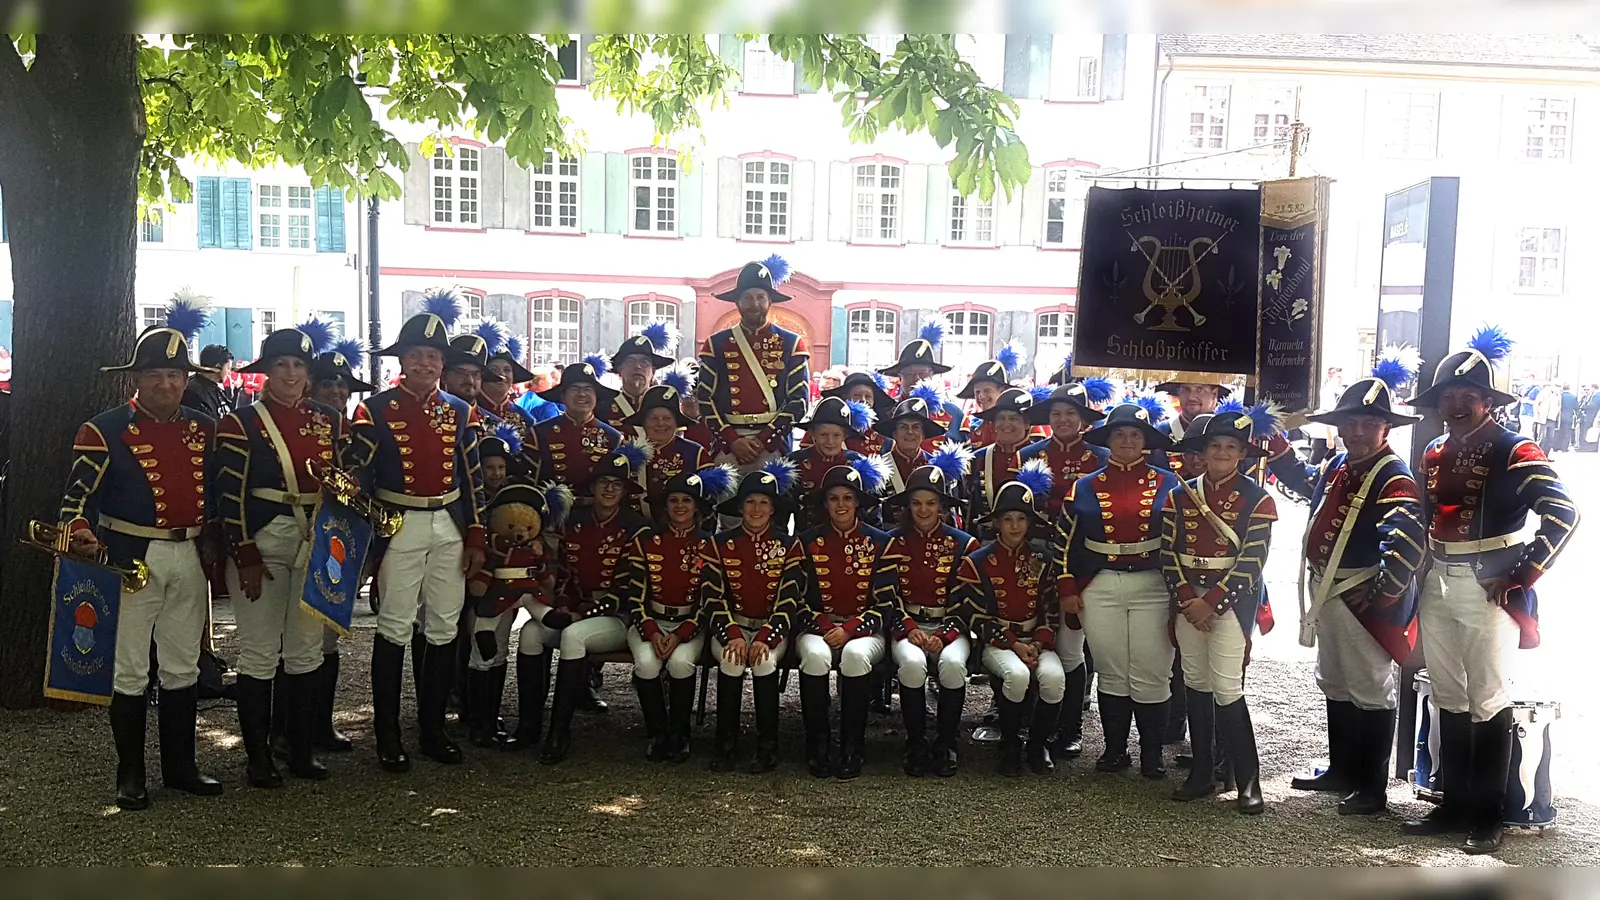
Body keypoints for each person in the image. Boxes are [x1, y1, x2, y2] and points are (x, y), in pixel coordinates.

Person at [1401, 327, 1578, 855]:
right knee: (1449, 695)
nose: (1455, 406)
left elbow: (1563, 514)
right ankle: (1453, 803)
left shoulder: (1514, 447)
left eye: (1466, 398)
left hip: (1489, 587)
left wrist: (1523, 573)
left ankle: (1488, 813)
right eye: (1447, 398)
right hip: (1437, 580)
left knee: (1489, 699)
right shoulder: (1433, 450)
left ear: (1486, 402)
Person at [57, 307, 224, 809]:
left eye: (176, 375)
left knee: (182, 667)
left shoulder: (204, 427)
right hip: (130, 557)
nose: (167, 384)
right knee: (129, 670)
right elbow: (75, 498)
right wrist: (80, 530)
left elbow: (217, 494)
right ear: (137, 378)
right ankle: (130, 774)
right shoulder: (103, 429)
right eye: (156, 375)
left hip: (189, 553)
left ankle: (181, 767)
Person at [346, 303, 489, 772]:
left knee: (444, 627)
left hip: (447, 523)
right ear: (401, 360)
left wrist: (475, 534)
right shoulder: (375, 408)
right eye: (416, 355)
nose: (425, 364)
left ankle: (432, 728)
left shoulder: (462, 410)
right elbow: (359, 468)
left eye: (433, 356)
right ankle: (387, 734)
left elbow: (472, 480)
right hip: (398, 523)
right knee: (394, 627)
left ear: (442, 364)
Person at [1286, 353, 1427, 817]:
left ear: (1385, 428)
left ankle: (1371, 788)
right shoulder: (1338, 464)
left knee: (1370, 687)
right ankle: (1343, 770)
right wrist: (1281, 453)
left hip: (1360, 594)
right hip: (1327, 590)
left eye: (1369, 423)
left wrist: (1385, 592)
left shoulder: (1392, 473)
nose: (1359, 432)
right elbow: (1312, 492)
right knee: (1336, 681)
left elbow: (1406, 539)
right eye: (1352, 423)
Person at [214, 325, 343, 788]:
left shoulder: (329, 419)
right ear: (266, 370)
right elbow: (229, 493)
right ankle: (258, 758)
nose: (291, 373)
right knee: (259, 652)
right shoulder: (241, 422)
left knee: (306, 651)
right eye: (282, 364)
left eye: (299, 365)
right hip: (263, 540)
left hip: (317, 539)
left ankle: (300, 749)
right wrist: (243, 551)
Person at [1161, 412, 1279, 815]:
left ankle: (1248, 779)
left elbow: (1252, 561)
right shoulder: (1180, 495)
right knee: (1195, 683)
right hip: (1187, 599)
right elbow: (1167, 552)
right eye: (1215, 445)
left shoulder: (1259, 499)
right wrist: (1186, 599)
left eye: (1231, 446)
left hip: (1228, 601)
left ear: (1243, 453)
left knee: (1228, 687)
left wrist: (1210, 602)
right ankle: (1201, 772)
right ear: (1204, 451)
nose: (1222, 453)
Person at [1055, 403, 1180, 778]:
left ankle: (1152, 754)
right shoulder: (1085, 484)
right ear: (1107, 440)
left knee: (1153, 670)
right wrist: (1067, 587)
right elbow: (1064, 541)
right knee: (1111, 670)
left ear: (1146, 442)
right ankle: (1114, 750)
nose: (1127, 441)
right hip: (1101, 582)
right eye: (1120, 434)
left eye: (1135, 435)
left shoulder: (1170, 483)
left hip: (1153, 583)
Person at [539, 446, 653, 764]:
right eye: (603, 481)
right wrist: (562, 604)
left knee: (574, 636)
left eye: (616, 484)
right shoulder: (572, 521)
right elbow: (562, 572)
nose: (609, 488)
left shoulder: (636, 527)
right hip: (574, 611)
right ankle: (530, 725)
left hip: (617, 617)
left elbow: (630, 591)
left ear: (625, 491)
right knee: (531, 635)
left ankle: (558, 732)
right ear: (592, 486)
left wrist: (581, 613)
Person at [619, 464, 734, 761]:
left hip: (691, 624)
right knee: (646, 663)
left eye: (686, 500)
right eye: (674, 500)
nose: (680, 506)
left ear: (697, 507)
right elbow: (635, 595)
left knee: (681, 663)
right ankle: (658, 733)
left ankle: (681, 734)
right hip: (650, 621)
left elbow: (710, 599)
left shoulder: (711, 544)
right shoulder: (645, 541)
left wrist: (682, 634)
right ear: (665, 506)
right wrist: (653, 632)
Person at [794, 461, 893, 779]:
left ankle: (853, 745)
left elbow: (887, 604)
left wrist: (850, 629)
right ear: (824, 503)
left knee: (855, 655)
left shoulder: (881, 542)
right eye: (834, 498)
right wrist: (826, 628)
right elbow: (794, 600)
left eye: (847, 498)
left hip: (866, 629)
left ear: (857, 503)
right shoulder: (806, 542)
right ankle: (817, 744)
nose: (841, 504)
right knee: (815, 654)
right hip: (817, 626)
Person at [704, 462, 805, 772]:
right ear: (740, 506)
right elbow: (711, 596)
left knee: (764, 662)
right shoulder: (719, 545)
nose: (756, 508)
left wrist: (765, 637)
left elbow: (790, 600)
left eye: (764, 502)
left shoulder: (790, 546)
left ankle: (767, 745)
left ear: (773, 509)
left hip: (771, 628)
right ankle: (726, 743)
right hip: (732, 627)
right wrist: (732, 634)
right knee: (731, 660)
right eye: (750, 501)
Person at [881, 455, 978, 777]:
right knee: (911, 663)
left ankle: (947, 742)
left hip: (949, 626)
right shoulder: (892, 542)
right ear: (907, 506)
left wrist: (945, 634)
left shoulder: (964, 544)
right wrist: (908, 628)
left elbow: (967, 600)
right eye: (917, 503)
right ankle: (916, 741)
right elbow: (886, 595)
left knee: (951, 664)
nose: (924, 510)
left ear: (943, 506)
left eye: (931, 503)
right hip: (906, 625)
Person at [959, 478, 1063, 776]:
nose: (1015, 526)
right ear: (996, 523)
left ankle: (1038, 744)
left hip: (1035, 640)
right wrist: (1014, 644)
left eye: (1021, 519)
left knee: (1054, 678)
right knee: (1016, 675)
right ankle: (1010, 744)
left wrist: (1039, 644)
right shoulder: (977, 561)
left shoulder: (1044, 559)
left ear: (1030, 522)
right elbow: (974, 614)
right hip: (998, 641)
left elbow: (1051, 612)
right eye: (1007, 519)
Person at [696, 256, 811, 479]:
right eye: (747, 298)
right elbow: (704, 398)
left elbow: (799, 401)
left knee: (773, 509)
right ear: (737, 302)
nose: (754, 304)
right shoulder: (716, 344)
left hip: (772, 443)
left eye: (760, 297)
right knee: (727, 511)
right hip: (729, 442)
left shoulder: (792, 344)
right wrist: (732, 440)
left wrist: (763, 440)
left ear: (770, 301)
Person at [527, 361, 623, 487]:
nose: (582, 394)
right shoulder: (539, 434)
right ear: (562, 397)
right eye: (575, 388)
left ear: (596, 397)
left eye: (588, 389)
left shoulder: (614, 438)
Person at [1021, 382, 1108, 521]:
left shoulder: (1102, 457)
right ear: (1048, 418)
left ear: (1083, 418)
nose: (1063, 420)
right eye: (1056, 413)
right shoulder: (1027, 455)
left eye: (1070, 413)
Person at [624, 383, 711, 522]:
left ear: (676, 423)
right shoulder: (627, 455)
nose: (660, 424)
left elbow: (707, 506)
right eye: (653, 418)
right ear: (643, 423)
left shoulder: (696, 453)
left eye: (667, 418)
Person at [876, 319, 965, 448]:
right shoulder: (883, 412)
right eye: (909, 374)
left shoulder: (953, 413)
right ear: (899, 378)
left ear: (932, 375)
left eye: (922, 374)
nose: (916, 379)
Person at [788, 396, 866, 533]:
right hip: (805, 542)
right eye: (824, 434)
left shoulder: (859, 465)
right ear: (812, 433)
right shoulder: (793, 464)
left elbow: (870, 516)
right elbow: (780, 514)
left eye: (836, 435)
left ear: (845, 435)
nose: (830, 441)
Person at [964, 388, 1036, 528]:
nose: (1006, 423)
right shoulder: (979, 457)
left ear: (1027, 423)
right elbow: (971, 509)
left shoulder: (1040, 455)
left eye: (1014, 418)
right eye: (1001, 418)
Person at [605, 323, 678, 439]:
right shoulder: (603, 408)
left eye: (644, 362)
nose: (638, 366)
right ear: (620, 370)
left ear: (653, 371)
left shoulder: (668, 406)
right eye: (630, 361)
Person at [874, 397, 943, 497]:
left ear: (923, 434)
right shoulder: (879, 468)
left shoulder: (935, 466)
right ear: (894, 434)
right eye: (903, 427)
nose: (910, 432)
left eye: (915, 427)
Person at [818, 372, 897, 455]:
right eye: (856, 395)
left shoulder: (884, 439)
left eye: (868, 396)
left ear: (874, 401)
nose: (863, 400)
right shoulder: (828, 428)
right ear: (845, 398)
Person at [953, 360, 1014, 450]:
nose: (981, 396)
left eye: (987, 390)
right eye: (977, 392)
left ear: (1002, 391)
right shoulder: (975, 428)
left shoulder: (1021, 424)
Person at [182, 343, 236, 421]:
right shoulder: (192, 391)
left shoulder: (217, 390)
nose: (229, 372)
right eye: (228, 368)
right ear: (218, 367)